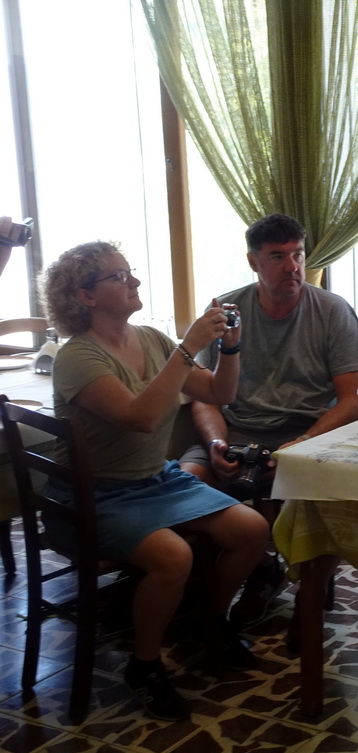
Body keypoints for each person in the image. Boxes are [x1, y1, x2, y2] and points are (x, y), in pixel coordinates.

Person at [41, 241, 269, 722]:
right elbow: (139, 418)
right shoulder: (77, 358)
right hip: (95, 494)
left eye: (132, 273)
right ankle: (145, 666)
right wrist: (187, 347)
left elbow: (220, 392)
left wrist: (230, 345)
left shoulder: (150, 338)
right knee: (173, 556)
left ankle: (211, 619)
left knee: (252, 530)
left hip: (153, 479)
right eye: (120, 277)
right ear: (85, 296)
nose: (135, 282)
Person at [179, 213, 358, 627]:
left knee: (316, 494)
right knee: (185, 488)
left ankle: (305, 588)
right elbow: (204, 397)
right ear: (254, 262)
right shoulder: (227, 311)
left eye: (298, 255)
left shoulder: (331, 310)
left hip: (304, 434)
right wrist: (216, 444)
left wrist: (305, 441)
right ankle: (243, 576)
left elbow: (352, 399)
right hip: (235, 431)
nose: (292, 266)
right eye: (277, 256)